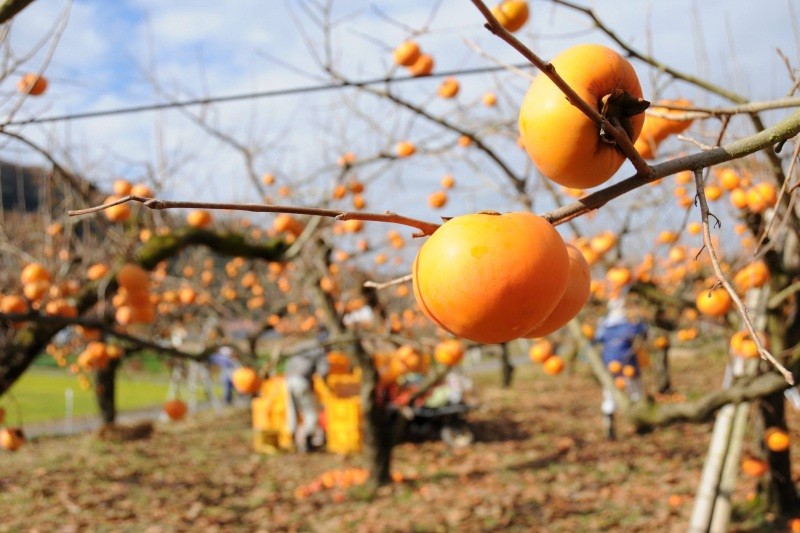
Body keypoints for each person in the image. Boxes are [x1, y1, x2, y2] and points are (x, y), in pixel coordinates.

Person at [593, 297, 647, 440]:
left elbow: (597, 339)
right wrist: (638, 318)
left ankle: (613, 423)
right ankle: (638, 421)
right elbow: (642, 331)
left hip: (612, 364)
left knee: (612, 392)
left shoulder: (605, 327)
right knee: (634, 391)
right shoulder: (627, 325)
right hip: (627, 363)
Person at [284, 328, 329, 452]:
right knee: (311, 413)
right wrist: (328, 385)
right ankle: (307, 442)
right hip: (301, 381)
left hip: (288, 380)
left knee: (292, 411)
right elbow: (323, 371)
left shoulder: (302, 346)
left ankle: (292, 440)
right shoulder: (320, 349)